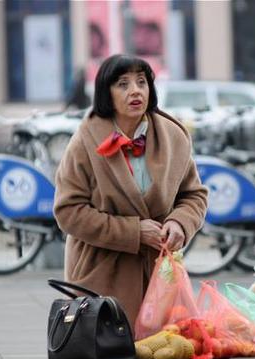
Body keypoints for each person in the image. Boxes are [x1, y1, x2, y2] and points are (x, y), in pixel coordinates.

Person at [54, 54, 208, 327]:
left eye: (142, 81)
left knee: (165, 356)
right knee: (111, 357)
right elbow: (69, 211)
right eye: (123, 84)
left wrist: (179, 223)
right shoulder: (85, 141)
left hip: (161, 279)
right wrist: (134, 232)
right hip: (101, 279)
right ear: (106, 94)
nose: (135, 90)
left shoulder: (174, 136)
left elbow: (193, 194)